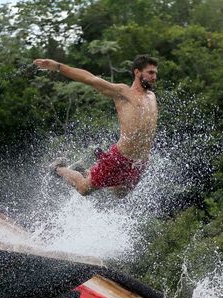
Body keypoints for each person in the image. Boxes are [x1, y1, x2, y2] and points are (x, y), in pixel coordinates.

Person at [33, 55, 158, 198]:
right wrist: (58, 66)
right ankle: (58, 168)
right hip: (119, 159)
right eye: (150, 73)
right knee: (84, 189)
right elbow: (90, 79)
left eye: (155, 73)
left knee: (120, 193)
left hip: (140, 162)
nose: (154, 77)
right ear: (137, 72)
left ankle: (86, 172)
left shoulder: (152, 96)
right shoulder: (123, 93)